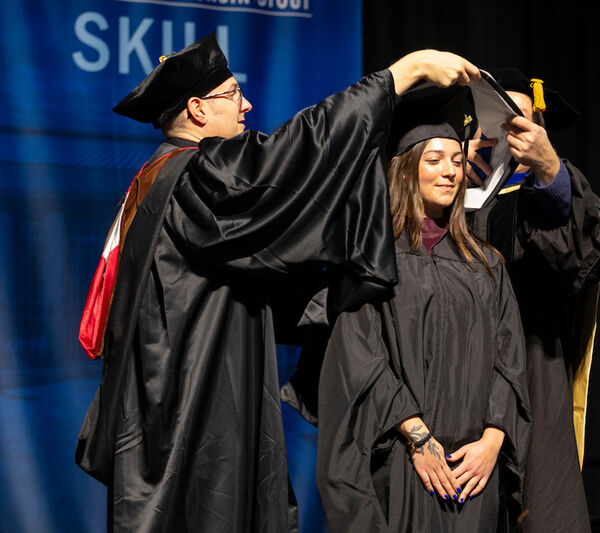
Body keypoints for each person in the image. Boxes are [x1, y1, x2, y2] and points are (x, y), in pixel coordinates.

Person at [74, 31, 481, 533]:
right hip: (188, 413)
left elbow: (268, 250)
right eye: (232, 95)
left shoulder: (157, 179)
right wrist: (401, 75)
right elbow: (293, 155)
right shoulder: (195, 177)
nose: (246, 105)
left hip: (173, 402)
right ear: (197, 109)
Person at [311, 89, 531, 533]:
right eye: (434, 160)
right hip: (403, 464)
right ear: (406, 169)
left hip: (475, 473)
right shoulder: (373, 262)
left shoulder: (486, 265)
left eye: (456, 160)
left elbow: (510, 364)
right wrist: (418, 438)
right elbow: (360, 360)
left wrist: (493, 440)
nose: (450, 172)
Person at [467, 68, 600, 533]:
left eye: (519, 125)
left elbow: (579, 245)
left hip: (531, 386)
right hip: (451, 397)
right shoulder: (439, 199)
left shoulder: (548, 201)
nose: (502, 136)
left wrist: (549, 170)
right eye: (490, 123)